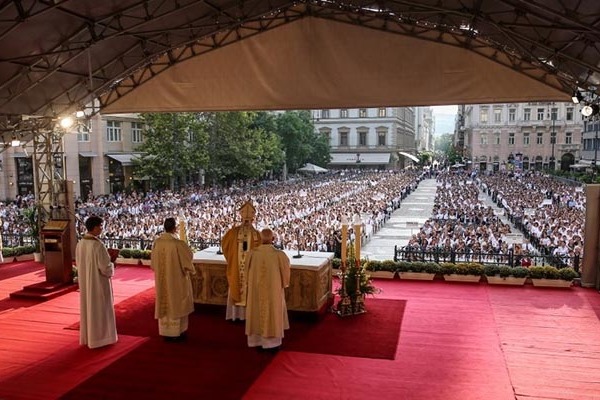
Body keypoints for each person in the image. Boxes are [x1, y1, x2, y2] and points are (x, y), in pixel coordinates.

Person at [245, 228, 291, 352]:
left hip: (256, 291)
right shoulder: (279, 255)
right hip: (273, 291)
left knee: (256, 311)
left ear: (259, 239)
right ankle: (272, 344)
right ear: (273, 239)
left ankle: (257, 341)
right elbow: (286, 274)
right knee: (273, 312)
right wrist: (284, 283)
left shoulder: (252, 254)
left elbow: (245, 274)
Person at [76, 215, 118, 349]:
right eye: (100, 226)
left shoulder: (80, 243)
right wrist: (112, 264)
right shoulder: (98, 245)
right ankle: (101, 338)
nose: (101, 228)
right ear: (94, 228)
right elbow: (105, 268)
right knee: (100, 309)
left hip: (86, 283)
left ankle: (90, 337)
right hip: (98, 283)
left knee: (89, 308)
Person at [151, 217, 196, 342]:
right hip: (176, 281)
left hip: (162, 281)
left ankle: (166, 332)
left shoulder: (157, 243)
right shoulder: (178, 244)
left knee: (165, 302)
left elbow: (153, 264)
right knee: (176, 302)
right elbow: (188, 261)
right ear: (174, 228)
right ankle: (177, 332)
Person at [221, 201, 261, 322]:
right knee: (247, 288)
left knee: (237, 285)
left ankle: (235, 315)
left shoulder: (233, 232)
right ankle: (247, 316)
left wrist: (232, 259)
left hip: (237, 268)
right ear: (253, 219)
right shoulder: (257, 235)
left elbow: (225, 246)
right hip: (249, 269)